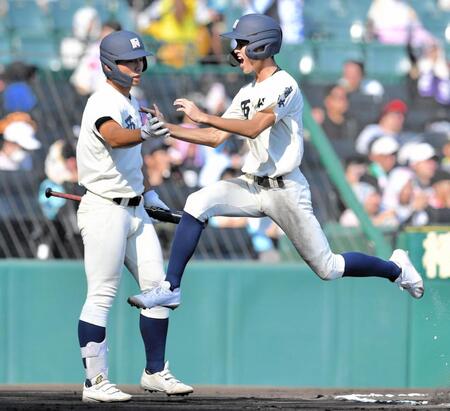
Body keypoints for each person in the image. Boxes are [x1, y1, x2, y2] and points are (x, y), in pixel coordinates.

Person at [127, 14, 424, 315]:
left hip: (286, 191)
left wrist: (202, 115)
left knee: (329, 268)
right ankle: (171, 288)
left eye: (241, 43)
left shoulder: (286, 85)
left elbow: (255, 127)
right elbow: (217, 136)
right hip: (252, 184)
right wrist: (169, 128)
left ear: (261, 46)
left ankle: (395, 269)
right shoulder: (247, 91)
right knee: (197, 201)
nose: (236, 50)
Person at [75, 29, 192, 403]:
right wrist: (143, 133)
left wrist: (147, 195)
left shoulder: (130, 98)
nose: (137, 67)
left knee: (158, 290)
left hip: (133, 206)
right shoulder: (102, 100)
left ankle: (155, 372)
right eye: (129, 61)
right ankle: (95, 383)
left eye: (140, 60)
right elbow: (112, 135)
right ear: (110, 64)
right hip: (104, 209)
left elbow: (127, 158)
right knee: (101, 295)